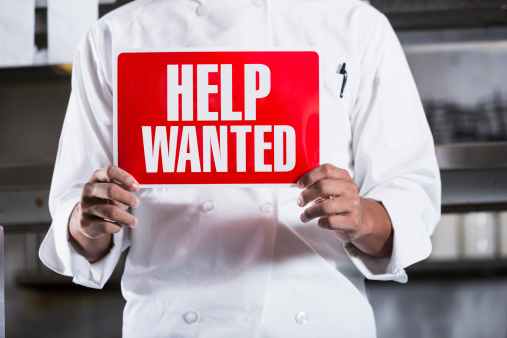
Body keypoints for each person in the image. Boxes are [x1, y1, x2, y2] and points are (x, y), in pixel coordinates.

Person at [39, 0, 441, 336]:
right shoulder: (116, 37)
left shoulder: (355, 25)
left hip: (317, 322)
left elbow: (408, 196)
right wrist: (86, 221)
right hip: (173, 326)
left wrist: (362, 217)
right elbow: (77, 227)